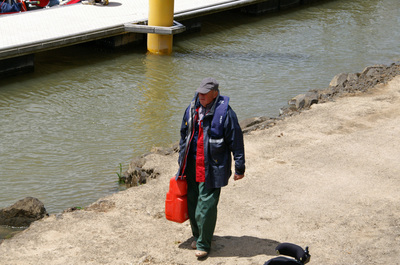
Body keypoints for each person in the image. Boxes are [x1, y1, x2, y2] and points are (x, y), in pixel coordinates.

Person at [177, 77, 245, 258]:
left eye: (205, 93)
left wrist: (240, 167)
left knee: (206, 205)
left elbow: (236, 142)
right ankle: (198, 235)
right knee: (192, 201)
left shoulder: (227, 113)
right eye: (200, 92)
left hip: (213, 166)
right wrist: (181, 160)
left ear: (215, 93)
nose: (201, 96)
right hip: (191, 163)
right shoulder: (191, 109)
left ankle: (203, 244)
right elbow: (184, 135)